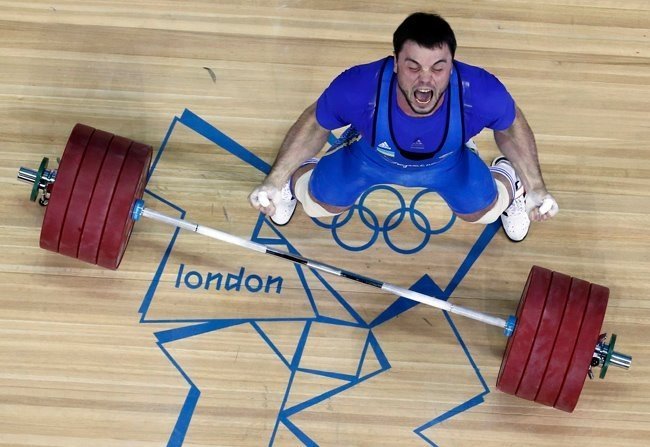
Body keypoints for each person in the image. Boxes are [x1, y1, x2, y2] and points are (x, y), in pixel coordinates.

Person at [249, 12, 558, 242]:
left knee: (483, 212)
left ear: (452, 65)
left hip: (447, 163)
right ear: (396, 62)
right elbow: (315, 123)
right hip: (370, 157)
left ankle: (512, 181)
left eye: (438, 67)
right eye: (413, 67)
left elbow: (511, 126)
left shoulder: (479, 91)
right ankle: (289, 182)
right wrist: (274, 180)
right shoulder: (359, 86)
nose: (426, 79)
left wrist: (535, 187)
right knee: (318, 204)